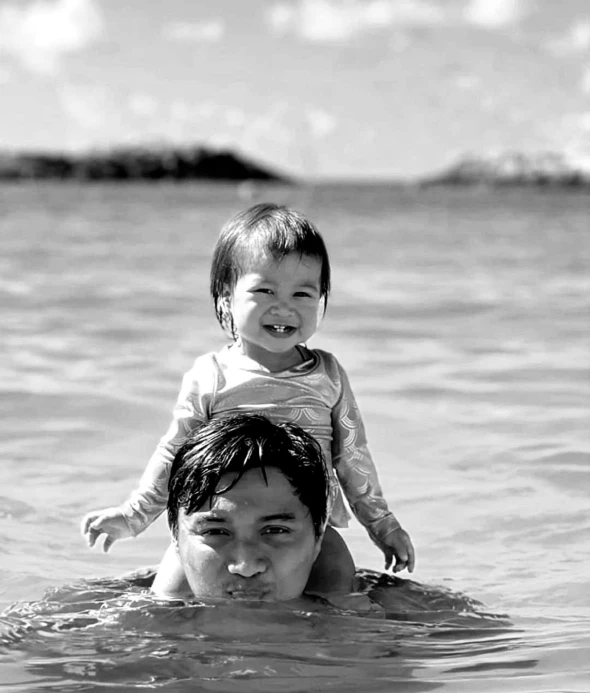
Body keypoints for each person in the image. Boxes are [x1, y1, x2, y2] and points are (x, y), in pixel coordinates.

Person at [81, 203, 415, 595]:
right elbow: (174, 453)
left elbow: (353, 457)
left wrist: (383, 525)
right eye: (264, 290)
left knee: (338, 584)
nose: (284, 306)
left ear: (323, 299)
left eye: (303, 293)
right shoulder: (212, 375)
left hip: (300, 532)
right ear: (226, 297)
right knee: (168, 594)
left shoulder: (328, 375)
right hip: (220, 528)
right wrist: (133, 515)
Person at [158, 413, 329, 601]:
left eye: (275, 530)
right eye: (216, 532)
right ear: (175, 536)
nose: (246, 567)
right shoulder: (126, 621)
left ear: (318, 537)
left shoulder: (363, 622)